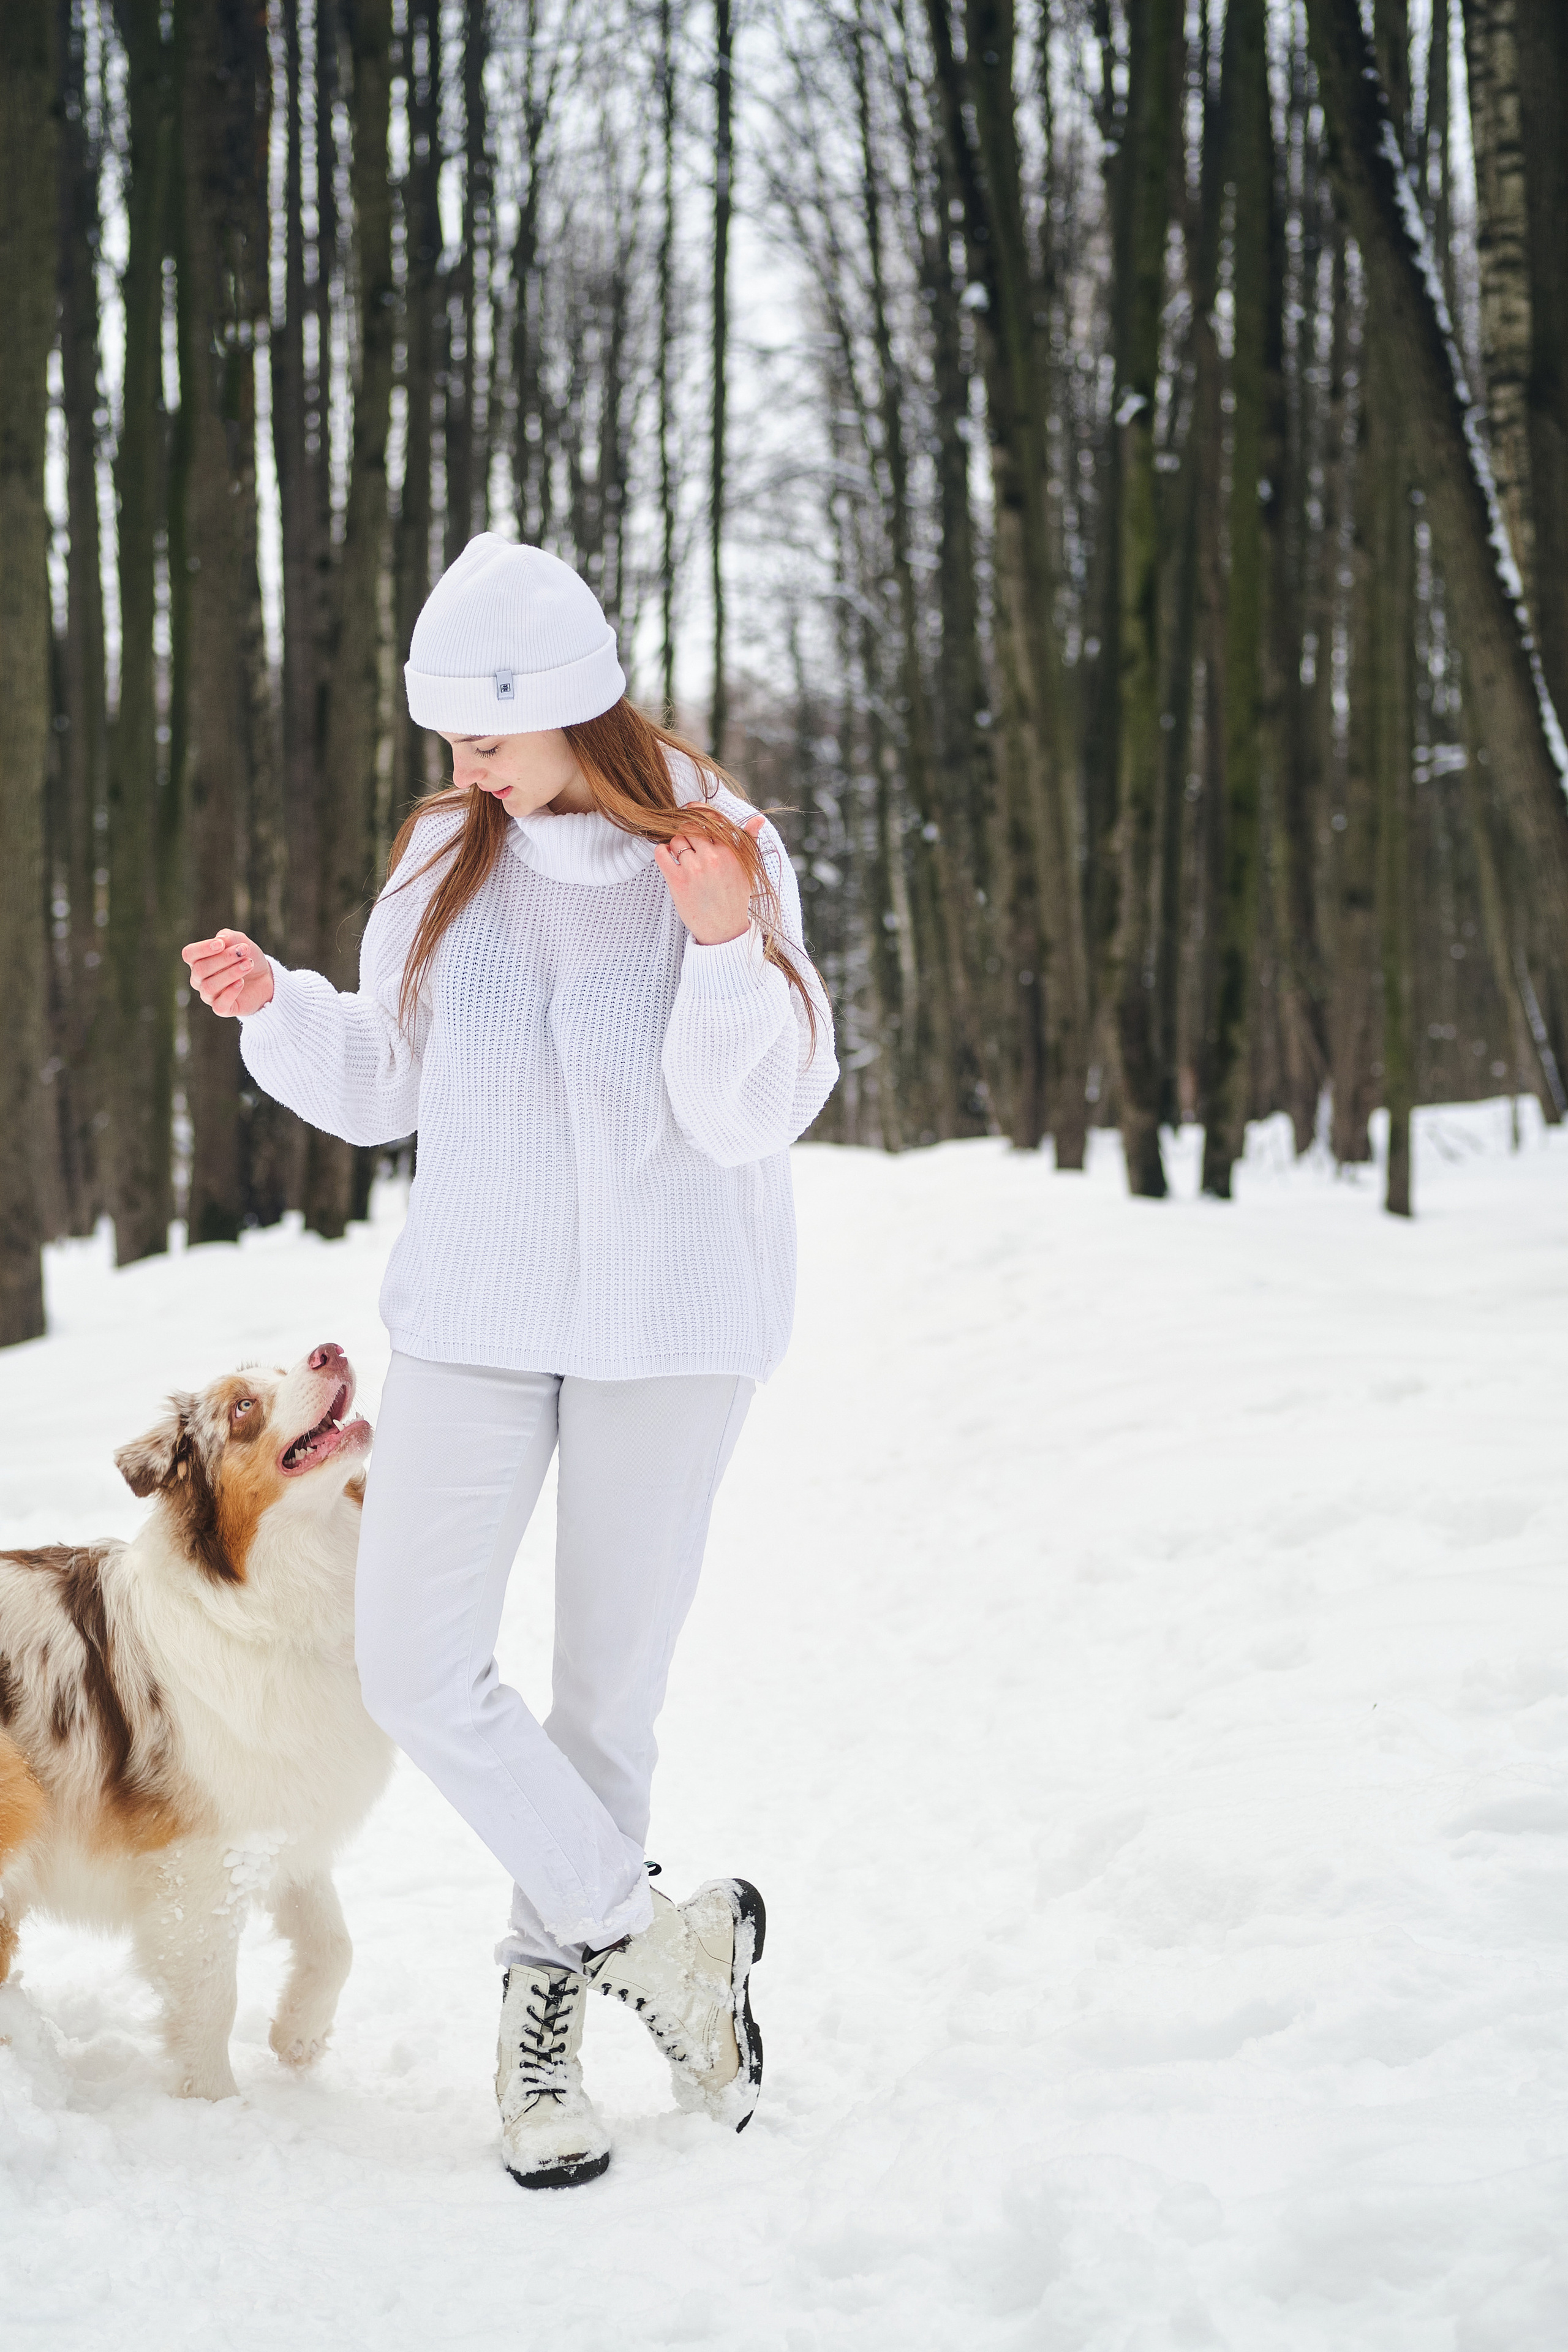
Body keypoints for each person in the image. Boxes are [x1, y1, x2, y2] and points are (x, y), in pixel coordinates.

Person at [181, 535, 837, 2189]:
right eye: (451, 734)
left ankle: (540, 2039)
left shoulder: (722, 844)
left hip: (670, 1331)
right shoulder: (442, 851)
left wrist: (712, 946)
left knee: (604, 1705)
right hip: (479, 1316)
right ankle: (657, 1942)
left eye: (491, 731)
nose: (462, 763)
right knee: (418, 1669)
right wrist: (280, 1009)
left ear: (574, 708)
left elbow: (749, 1112)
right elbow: (390, 1077)